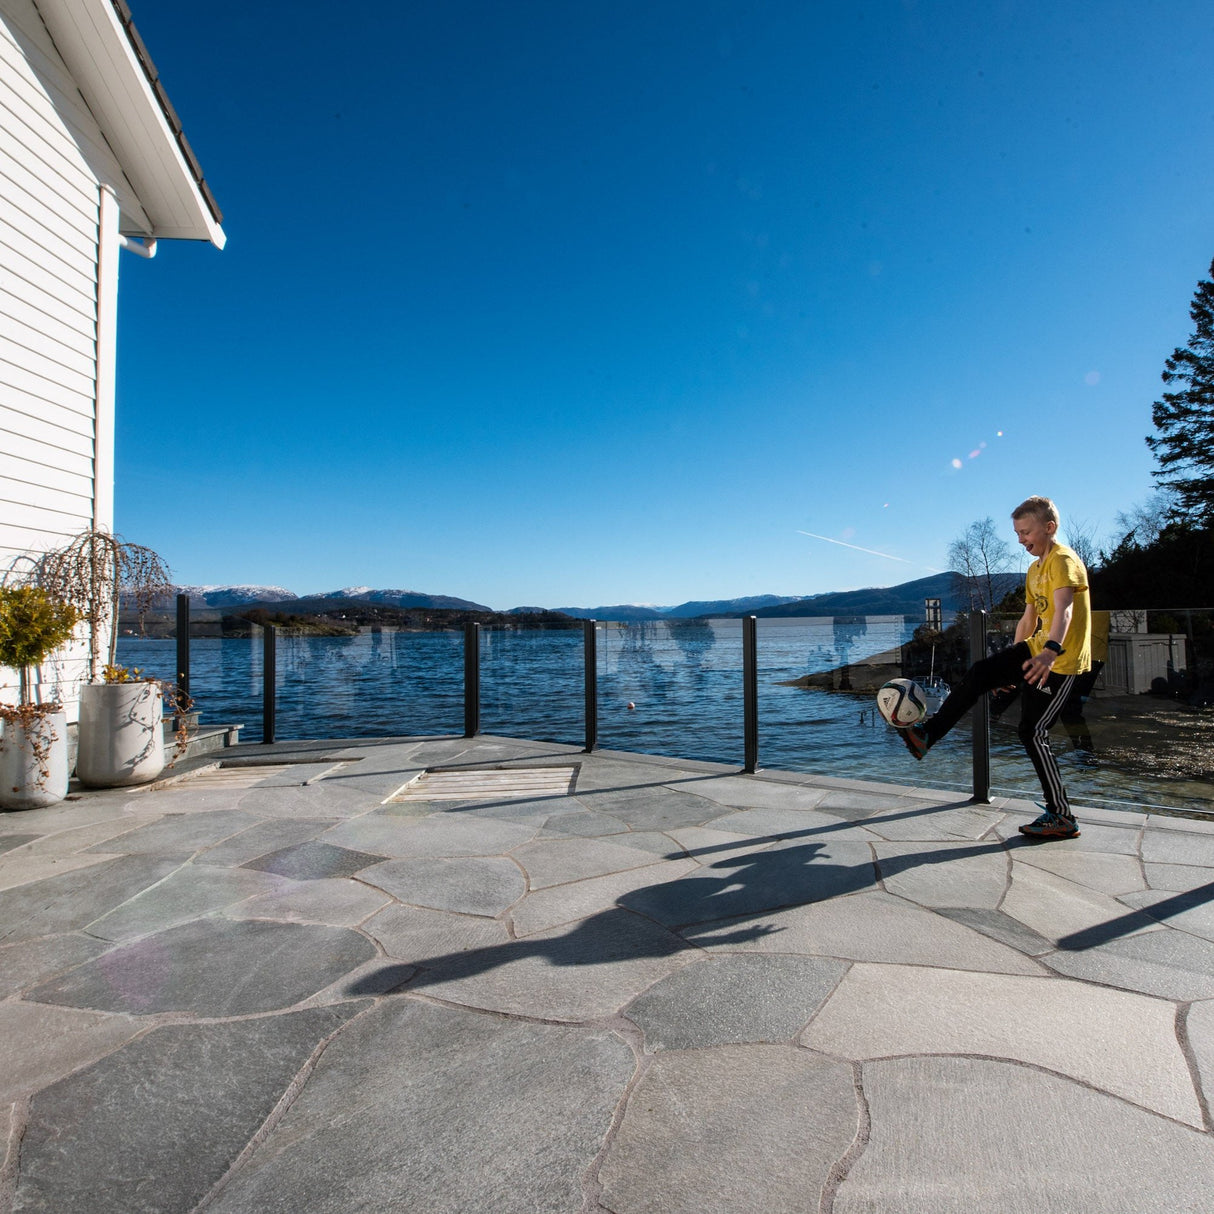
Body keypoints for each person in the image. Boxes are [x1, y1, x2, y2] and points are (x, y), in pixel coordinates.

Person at [901, 495, 1092, 840]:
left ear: (1049, 528)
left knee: (1032, 732)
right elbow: (1028, 618)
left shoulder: (1064, 560)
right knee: (979, 674)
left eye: (1026, 532)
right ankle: (927, 735)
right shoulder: (1034, 570)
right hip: (1035, 653)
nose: (1021, 540)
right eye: (1017, 533)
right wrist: (1010, 665)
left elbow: (1063, 609)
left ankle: (1061, 816)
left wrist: (1050, 651)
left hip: (1061, 662)